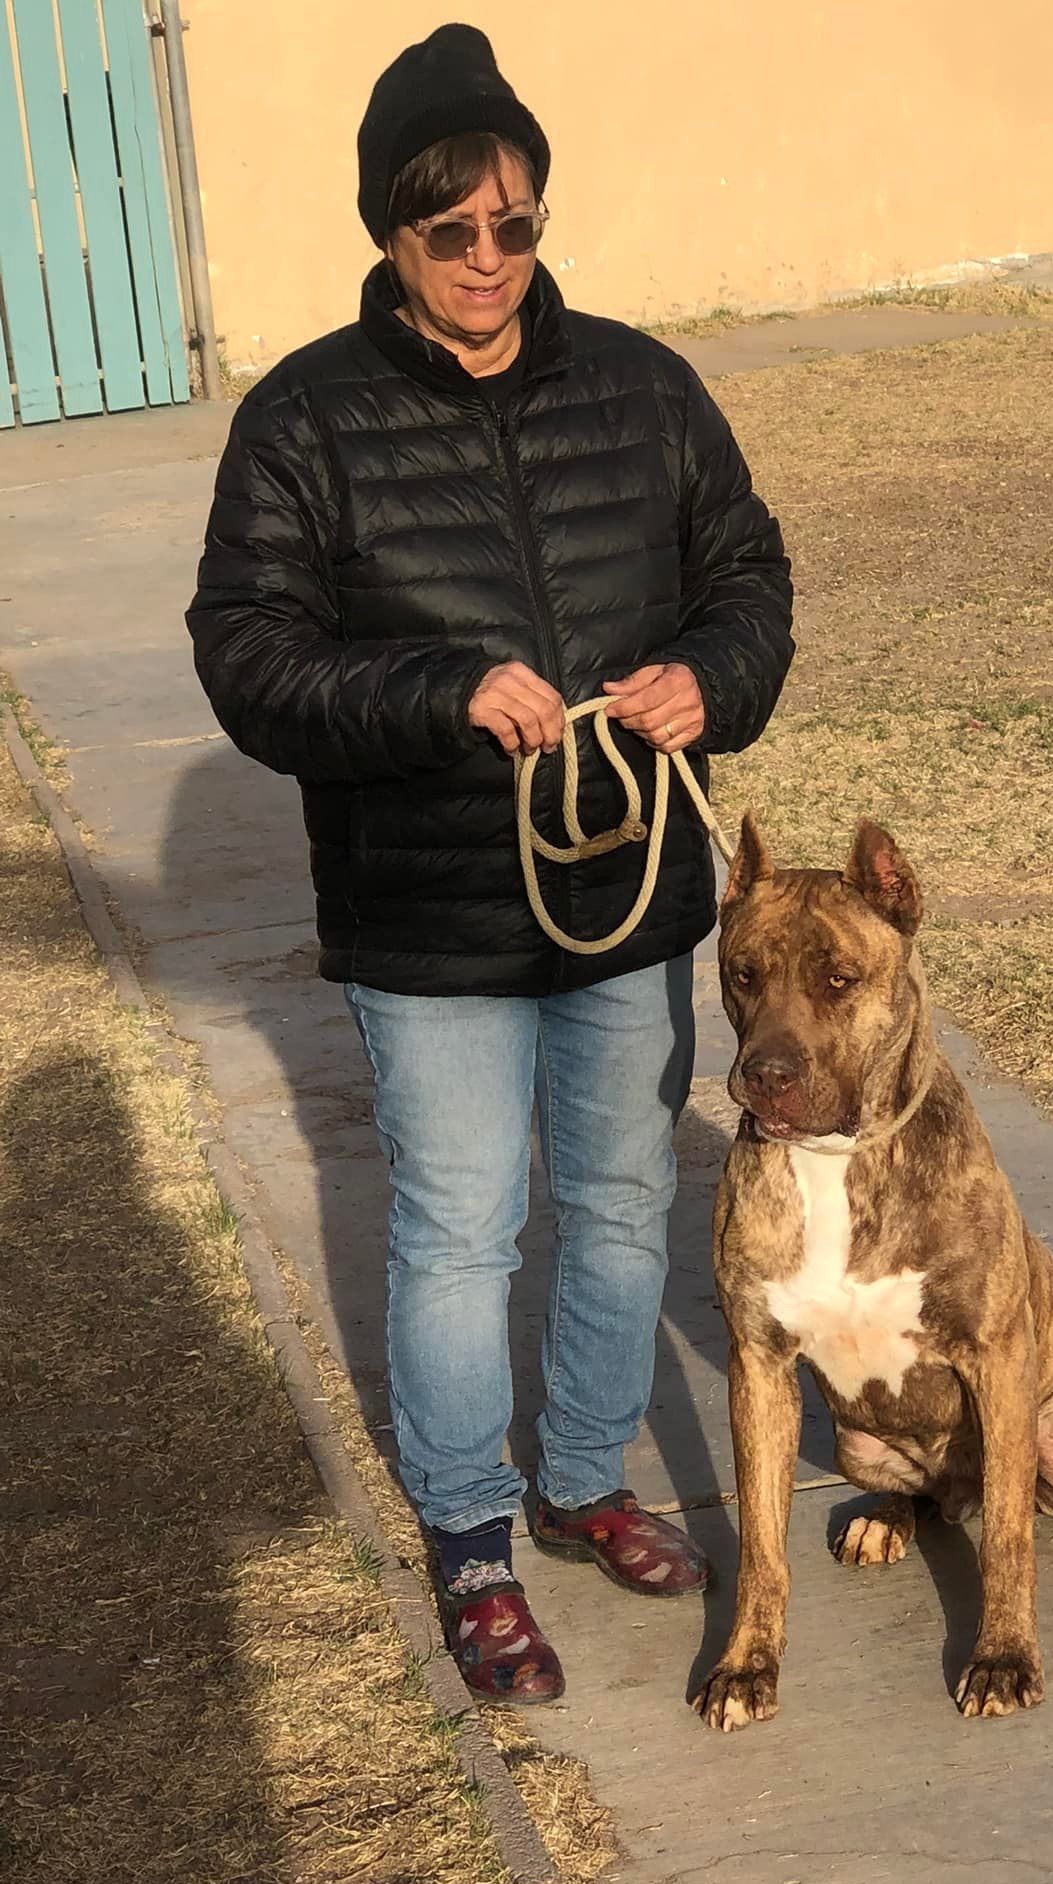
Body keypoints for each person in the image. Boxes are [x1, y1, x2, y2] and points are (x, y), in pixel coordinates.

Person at [187, 24, 793, 1704]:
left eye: (511, 225)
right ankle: (469, 1535)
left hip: (627, 893)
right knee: (462, 1227)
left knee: (615, 1208)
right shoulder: (307, 417)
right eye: (445, 229)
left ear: (540, 220)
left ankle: (586, 1475)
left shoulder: (645, 385)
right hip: (430, 916)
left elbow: (746, 573)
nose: (482, 260)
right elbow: (245, 654)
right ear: (388, 230)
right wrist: (436, 692)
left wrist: (711, 678)